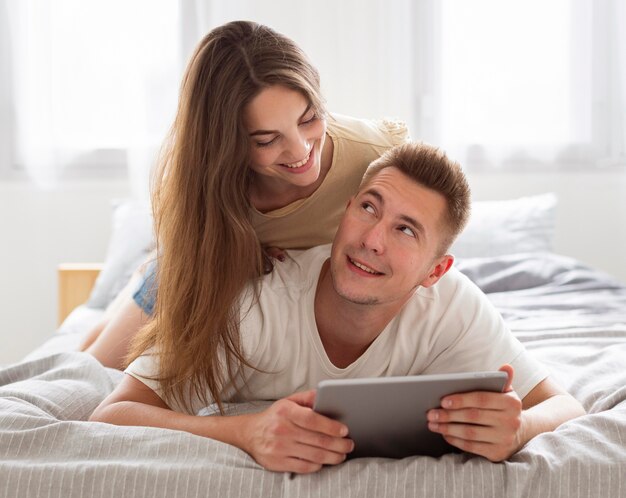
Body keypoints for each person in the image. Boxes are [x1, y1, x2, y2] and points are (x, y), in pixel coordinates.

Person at [90, 142, 586, 474]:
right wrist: (242, 430)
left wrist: (519, 427)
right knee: (104, 343)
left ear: (435, 272)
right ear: (346, 210)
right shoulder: (255, 305)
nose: (371, 240)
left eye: (405, 229)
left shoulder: (453, 305)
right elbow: (110, 414)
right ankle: (144, 271)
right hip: (179, 281)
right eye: (369, 207)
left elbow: (565, 406)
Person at [78, 20, 409, 369]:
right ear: (227, 144)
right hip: (200, 267)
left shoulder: (378, 155)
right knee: (95, 365)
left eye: (309, 118)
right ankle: (120, 297)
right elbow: (191, 263)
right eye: (267, 140)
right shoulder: (207, 187)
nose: (300, 150)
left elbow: (428, 234)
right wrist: (241, 256)